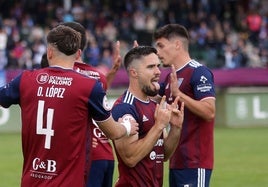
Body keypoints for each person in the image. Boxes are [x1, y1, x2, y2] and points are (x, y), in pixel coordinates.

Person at [0, 25, 138, 187]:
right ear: (78, 53)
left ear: (49, 52)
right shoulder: (89, 86)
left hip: (32, 181)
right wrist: (127, 126)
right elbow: (113, 132)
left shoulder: (25, 80)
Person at [153, 23, 216, 187]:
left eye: (161, 46)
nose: (157, 52)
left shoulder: (199, 72)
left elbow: (209, 111)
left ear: (177, 45)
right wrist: (139, 60)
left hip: (195, 162)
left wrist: (179, 95)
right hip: (176, 161)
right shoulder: (170, 78)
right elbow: (148, 93)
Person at [111, 46, 184, 187]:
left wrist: (175, 128)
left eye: (158, 66)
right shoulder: (125, 108)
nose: (158, 72)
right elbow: (130, 158)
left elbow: (164, 154)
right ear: (134, 73)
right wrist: (158, 126)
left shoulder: (153, 105)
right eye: (151, 67)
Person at [58, 21, 120, 187]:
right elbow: (99, 99)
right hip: (106, 153)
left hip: (85, 156)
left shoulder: (62, 78)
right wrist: (112, 72)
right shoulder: (97, 76)